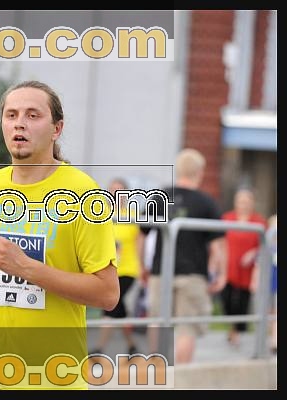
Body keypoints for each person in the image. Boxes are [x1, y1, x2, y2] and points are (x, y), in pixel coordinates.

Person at [0, 80, 119, 390]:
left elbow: (107, 294)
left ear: (56, 129)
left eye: (33, 115)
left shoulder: (84, 195)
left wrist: (26, 267)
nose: (20, 124)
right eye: (11, 115)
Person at [143, 148, 227, 364]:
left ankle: (156, 369)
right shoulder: (207, 202)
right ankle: (180, 377)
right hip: (193, 273)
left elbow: (141, 233)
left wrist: (143, 264)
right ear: (200, 172)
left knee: (157, 321)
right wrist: (221, 273)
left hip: (160, 271)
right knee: (187, 327)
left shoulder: (160, 196)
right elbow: (218, 245)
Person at [91, 178, 145, 356]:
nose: (115, 194)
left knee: (111, 306)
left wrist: (142, 266)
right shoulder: (100, 213)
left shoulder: (132, 215)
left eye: (119, 190)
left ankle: (99, 348)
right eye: (112, 190)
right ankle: (132, 347)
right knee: (117, 309)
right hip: (106, 268)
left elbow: (139, 243)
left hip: (128, 269)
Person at [220, 188, 266, 346]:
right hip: (228, 266)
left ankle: (236, 332)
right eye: (241, 202)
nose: (243, 205)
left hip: (248, 269)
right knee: (226, 299)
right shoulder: (227, 218)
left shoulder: (259, 222)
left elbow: (266, 244)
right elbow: (219, 241)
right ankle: (232, 327)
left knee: (241, 302)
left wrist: (253, 253)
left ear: (252, 203)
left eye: (247, 202)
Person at [250, 213, 277, 354]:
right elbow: (258, 266)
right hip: (266, 285)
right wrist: (254, 282)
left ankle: (274, 341)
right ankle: (262, 340)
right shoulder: (265, 249)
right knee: (264, 312)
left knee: (276, 314)